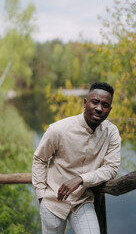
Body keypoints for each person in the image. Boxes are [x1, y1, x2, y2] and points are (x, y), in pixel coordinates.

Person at [32, 82, 121, 234]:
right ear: (85, 103)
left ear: (110, 109)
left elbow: (111, 168)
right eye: (95, 102)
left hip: (82, 200)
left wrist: (81, 179)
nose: (99, 108)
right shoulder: (59, 130)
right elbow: (40, 159)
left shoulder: (111, 133)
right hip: (53, 201)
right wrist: (41, 196)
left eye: (105, 105)